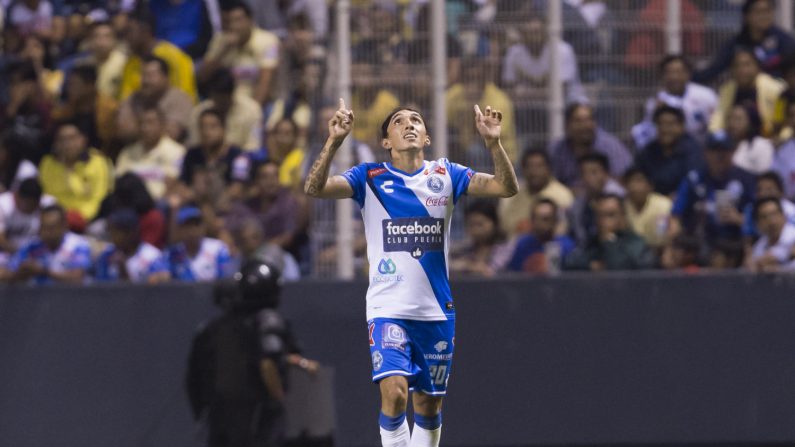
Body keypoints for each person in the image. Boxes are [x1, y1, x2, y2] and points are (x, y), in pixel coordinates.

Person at [303, 99, 518, 446]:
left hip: (435, 309)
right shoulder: (368, 177)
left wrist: (494, 144)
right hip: (388, 308)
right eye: (398, 122)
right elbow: (314, 188)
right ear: (386, 141)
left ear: (428, 137)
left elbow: (506, 188)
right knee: (396, 395)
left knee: (428, 406)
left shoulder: (447, 175)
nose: (409, 124)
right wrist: (334, 141)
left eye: (416, 120)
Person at [186, 259, 319, 447]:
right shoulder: (266, 321)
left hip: (221, 420)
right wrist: (279, 397)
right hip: (257, 420)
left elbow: (193, 381)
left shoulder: (214, 330)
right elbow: (268, 362)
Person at [668, 132, 756, 248]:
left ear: (733, 152)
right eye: (714, 151)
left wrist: (739, 219)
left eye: (724, 151)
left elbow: (759, 218)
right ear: (705, 153)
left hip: (735, 242)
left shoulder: (746, 179)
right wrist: (671, 242)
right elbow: (676, 215)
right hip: (697, 243)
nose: (719, 156)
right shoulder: (694, 179)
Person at [199, 0, 280, 105]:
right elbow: (202, 78)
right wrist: (223, 51)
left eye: (237, 20)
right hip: (224, 104)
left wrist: (253, 112)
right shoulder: (220, 41)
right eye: (227, 21)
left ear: (250, 20)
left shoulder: (268, 41)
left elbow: (265, 83)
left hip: (257, 104)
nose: (233, 26)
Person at [694, 0, 795, 84]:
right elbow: (713, 70)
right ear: (746, 16)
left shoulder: (783, 41)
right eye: (759, 12)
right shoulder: (736, 44)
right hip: (744, 94)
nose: (764, 16)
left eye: (768, 11)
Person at [631, 55, 717, 149]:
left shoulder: (705, 96)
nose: (674, 77)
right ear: (662, 76)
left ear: (688, 74)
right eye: (669, 72)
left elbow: (717, 127)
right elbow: (648, 135)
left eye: (679, 72)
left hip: (703, 149)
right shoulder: (655, 103)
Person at [39, 121, 113, 223]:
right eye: (62, 139)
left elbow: (99, 198)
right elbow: (46, 196)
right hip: (55, 221)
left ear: (83, 139)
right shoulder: (48, 163)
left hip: (88, 220)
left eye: (72, 138)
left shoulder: (98, 162)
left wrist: (78, 219)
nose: (67, 144)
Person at [501, 16, 586, 105]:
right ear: (522, 34)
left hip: (566, 103)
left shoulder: (562, 50)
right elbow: (509, 87)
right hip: (526, 107)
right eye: (529, 33)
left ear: (545, 32)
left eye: (537, 32)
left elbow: (561, 91)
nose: (534, 37)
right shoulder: (514, 53)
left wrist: (523, 93)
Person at [118, 8, 197, 102]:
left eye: (129, 32)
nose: (125, 38)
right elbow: (125, 101)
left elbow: (186, 99)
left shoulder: (174, 57)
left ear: (145, 30)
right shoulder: (130, 63)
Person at [564, 194, 656, 271]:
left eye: (610, 215)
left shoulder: (636, 243)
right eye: (599, 215)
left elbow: (625, 269)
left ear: (622, 217)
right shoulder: (592, 242)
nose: (603, 221)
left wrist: (609, 244)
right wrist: (590, 265)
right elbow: (570, 262)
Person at [550, 103, 632, 187]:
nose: (585, 126)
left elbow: (626, 178)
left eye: (589, 120)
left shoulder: (611, 147)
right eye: (578, 121)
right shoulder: (558, 149)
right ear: (567, 126)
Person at [6, 204, 92, 284]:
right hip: (38, 298)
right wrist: (20, 274)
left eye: (51, 228)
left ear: (64, 226)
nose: (46, 232)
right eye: (43, 227)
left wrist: (43, 271)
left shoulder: (78, 245)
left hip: (70, 298)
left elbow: (77, 278)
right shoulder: (32, 246)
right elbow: (8, 271)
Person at [498, 148, 574, 239]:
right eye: (529, 166)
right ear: (522, 169)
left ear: (549, 168)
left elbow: (563, 230)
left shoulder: (563, 196)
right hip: (513, 248)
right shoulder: (510, 196)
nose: (534, 172)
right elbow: (503, 229)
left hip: (550, 247)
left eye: (539, 166)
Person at [709, 48, 785, 137]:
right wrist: (714, 136)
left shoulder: (776, 89)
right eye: (736, 66)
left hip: (769, 139)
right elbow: (719, 117)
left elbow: (785, 122)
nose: (741, 70)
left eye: (747, 65)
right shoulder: (727, 90)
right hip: (735, 143)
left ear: (757, 67)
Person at [116, 105, 186, 200]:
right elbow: (120, 181)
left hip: (160, 205)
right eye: (141, 123)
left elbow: (174, 184)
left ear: (162, 125)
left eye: (150, 123)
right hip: (130, 205)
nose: (145, 128)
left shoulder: (177, 152)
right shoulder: (127, 153)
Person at [186, 68, 263, 152]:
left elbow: (254, 145)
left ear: (232, 93)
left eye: (224, 99)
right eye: (218, 99)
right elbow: (194, 144)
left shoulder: (252, 110)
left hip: (242, 158)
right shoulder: (199, 112)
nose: (221, 103)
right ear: (211, 94)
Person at [635, 105, 704, 196]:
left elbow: (694, 182)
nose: (665, 129)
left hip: (684, 202)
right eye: (660, 124)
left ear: (681, 126)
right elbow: (637, 176)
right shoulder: (648, 151)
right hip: (654, 201)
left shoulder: (693, 150)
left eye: (670, 124)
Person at [93, 208, 171, 283]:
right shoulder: (107, 255)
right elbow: (100, 288)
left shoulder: (152, 257)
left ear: (131, 232)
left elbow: (158, 291)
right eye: (111, 232)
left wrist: (123, 271)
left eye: (116, 232)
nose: (112, 237)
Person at [567, 153, 625, 244]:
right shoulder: (577, 205)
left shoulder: (619, 198)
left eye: (593, 172)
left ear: (606, 174)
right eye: (583, 173)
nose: (587, 178)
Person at [506, 198, 575, 274]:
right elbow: (513, 274)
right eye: (536, 218)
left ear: (555, 220)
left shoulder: (567, 245)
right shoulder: (522, 244)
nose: (540, 223)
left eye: (546, 219)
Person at [167, 205, 234, 282]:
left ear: (203, 227)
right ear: (180, 229)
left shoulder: (218, 249)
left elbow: (225, 279)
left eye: (197, 224)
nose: (193, 230)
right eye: (188, 225)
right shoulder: (172, 254)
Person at [449, 199, 513, 277]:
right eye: (471, 225)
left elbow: (491, 272)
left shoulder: (505, 248)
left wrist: (467, 266)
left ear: (494, 223)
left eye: (480, 224)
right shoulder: (465, 250)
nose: (476, 230)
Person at [0, 178, 55, 266]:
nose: (31, 209)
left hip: (39, 252)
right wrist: (23, 254)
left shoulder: (48, 204)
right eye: (28, 205)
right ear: (17, 196)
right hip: (8, 253)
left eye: (34, 205)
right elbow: (1, 240)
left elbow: (55, 233)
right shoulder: (3, 205)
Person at [622, 168, 673, 249]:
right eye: (630, 182)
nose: (634, 187)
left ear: (650, 186)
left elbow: (662, 237)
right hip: (629, 253)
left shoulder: (663, 206)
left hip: (658, 251)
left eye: (639, 181)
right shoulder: (622, 206)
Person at [746, 197, 795, 272]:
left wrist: (780, 259)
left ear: (784, 216)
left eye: (774, 214)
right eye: (764, 217)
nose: (771, 221)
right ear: (758, 224)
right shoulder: (759, 246)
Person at [726, 104, 774, 174]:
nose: (732, 123)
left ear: (750, 123)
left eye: (738, 119)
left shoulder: (761, 146)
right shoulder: (725, 144)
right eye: (730, 118)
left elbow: (764, 175)